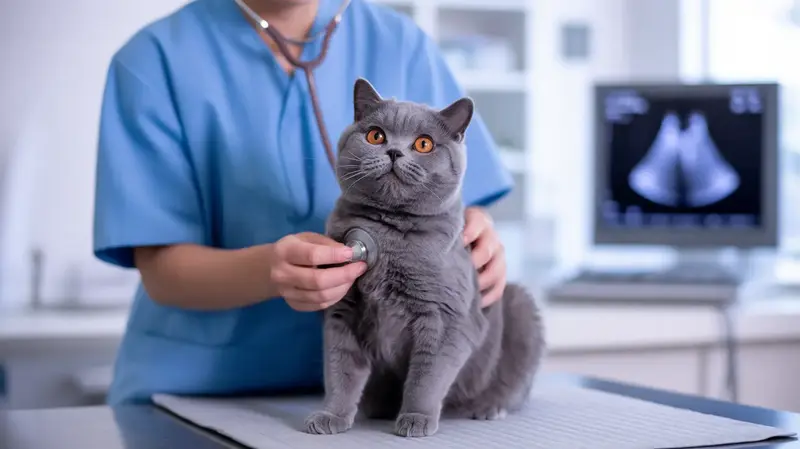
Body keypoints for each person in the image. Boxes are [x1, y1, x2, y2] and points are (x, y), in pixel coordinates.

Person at [93, 0, 514, 405]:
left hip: (372, 400)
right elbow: (163, 271)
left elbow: (460, 194)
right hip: (195, 390)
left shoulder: (400, 42)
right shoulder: (153, 60)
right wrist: (271, 271)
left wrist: (475, 234)